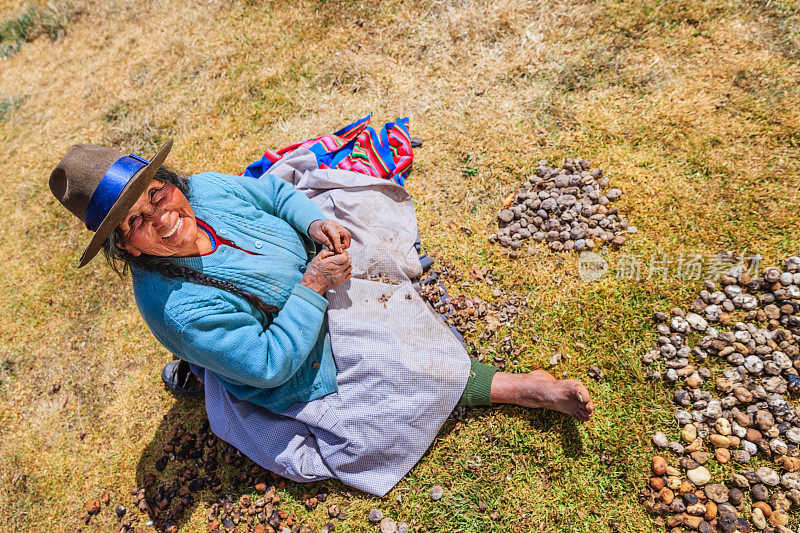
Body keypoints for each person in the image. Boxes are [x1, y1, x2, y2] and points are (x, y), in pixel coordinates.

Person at [49, 139, 594, 496]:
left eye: (157, 194)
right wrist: (311, 288)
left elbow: (276, 193)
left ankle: (202, 372)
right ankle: (525, 388)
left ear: (170, 181)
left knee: (380, 257)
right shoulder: (176, 309)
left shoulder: (208, 190)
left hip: (320, 280)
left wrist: (312, 225)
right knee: (403, 371)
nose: (162, 217)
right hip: (297, 358)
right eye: (138, 222)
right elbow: (268, 365)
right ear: (128, 248)